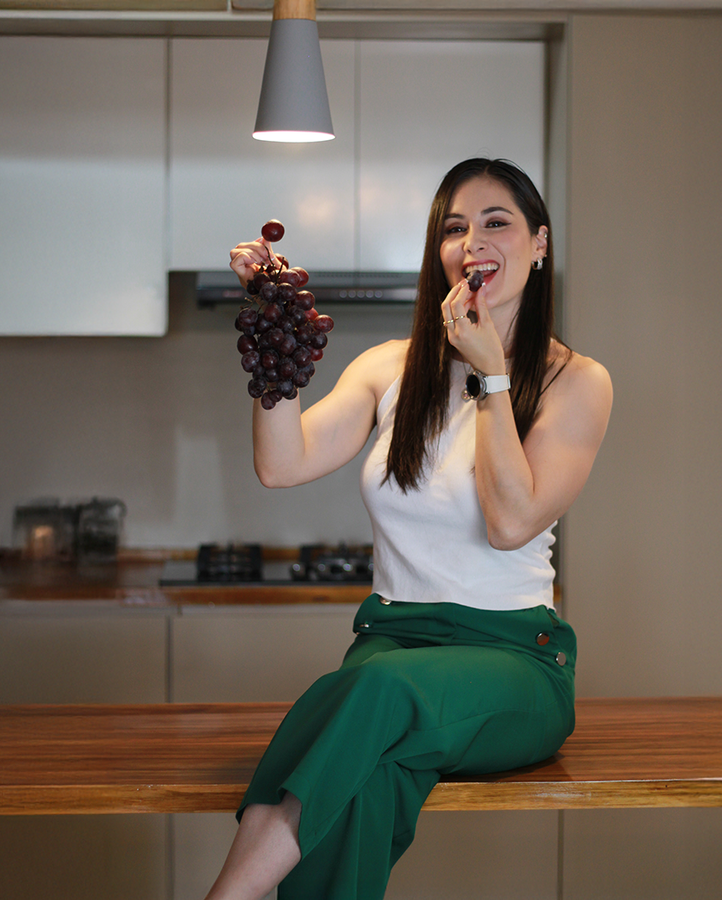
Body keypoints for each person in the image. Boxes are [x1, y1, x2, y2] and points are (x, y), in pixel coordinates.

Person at [209, 158, 613, 900]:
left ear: (540, 244)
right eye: (454, 228)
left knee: (373, 694)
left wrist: (491, 376)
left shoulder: (575, 382)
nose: (473, 241)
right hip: (392, 644)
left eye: (497, 222)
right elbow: (281, 463)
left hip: (515, 662)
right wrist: (272, 338)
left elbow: (511, 523)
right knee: (368, 773)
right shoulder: (388, 369)